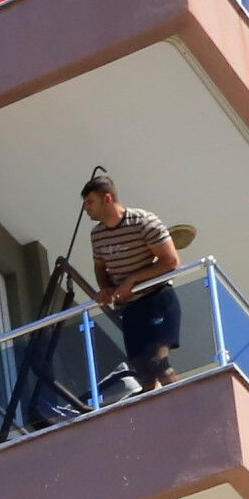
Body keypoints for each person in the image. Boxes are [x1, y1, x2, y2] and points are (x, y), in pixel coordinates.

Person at [79, 167, 184, 395]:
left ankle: (187, 403)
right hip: (131, 309)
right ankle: (158, 412)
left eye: (90, 202)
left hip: (157, 299)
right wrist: (106, 289)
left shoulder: (144, 221)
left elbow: (171, 261)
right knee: (143, 373)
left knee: (158, 363)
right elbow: (100, 267)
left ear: (108, 198)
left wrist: (131, 280)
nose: (86, 208)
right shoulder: (97, 235)